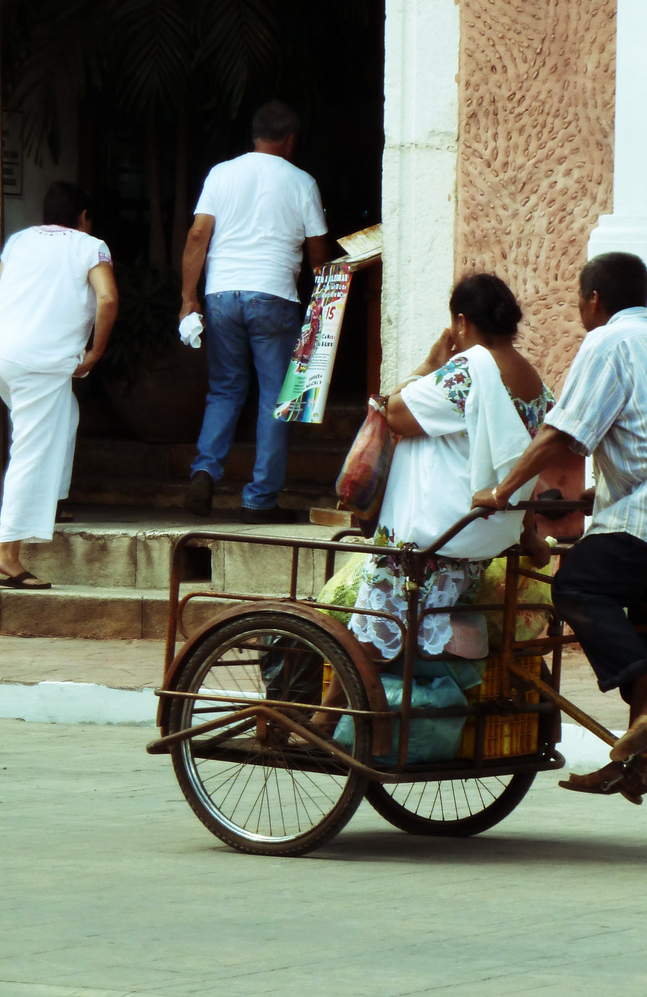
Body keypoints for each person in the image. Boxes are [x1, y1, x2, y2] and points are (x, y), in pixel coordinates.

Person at [472, 252, 647, 796]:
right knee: (644, 642)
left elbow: (560, 434)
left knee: (576, 586)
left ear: (593, 300)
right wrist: (593, 499)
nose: (579, 310)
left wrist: (502, 492)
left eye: (578, 300)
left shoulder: (607, 342)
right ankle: (633, 759)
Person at [346, 273, 554, 669]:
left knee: (372, 634)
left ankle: (325, 718)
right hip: (481, 533)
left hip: (433, 533)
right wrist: (529, 535)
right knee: (414, 634)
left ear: (461, 322)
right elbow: (520, 463)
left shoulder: (467, 372)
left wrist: (428, 364)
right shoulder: (535, 384)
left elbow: (392, 414)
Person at [179, 100, 329, 524]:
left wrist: (189, 297)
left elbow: (197, 235)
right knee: (274, 399)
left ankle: (205, 470)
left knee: (225, 389)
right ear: (291, 140)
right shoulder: (302, 181)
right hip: (274, 296)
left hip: (222, 294)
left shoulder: (220, 174)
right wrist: (324, 299)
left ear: (255, 134)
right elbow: (318, 253)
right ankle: (260, 500)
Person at [0, 181, 119, 590]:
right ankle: (7, 555)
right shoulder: (90, 245)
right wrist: (94, 352)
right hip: (39, 361)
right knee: (32, 448)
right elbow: (107, 299)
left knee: (64, 416)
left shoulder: (20, 240)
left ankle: (48, 502)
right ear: (84, 217)